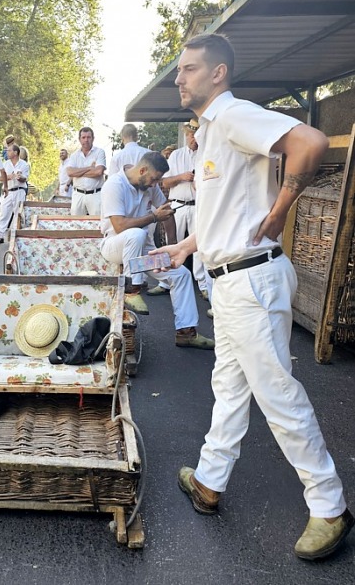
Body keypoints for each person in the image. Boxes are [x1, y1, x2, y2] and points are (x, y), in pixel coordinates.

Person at [153, 32, 352, 560]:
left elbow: (308, 142)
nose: (180, 78)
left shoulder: (235, 115)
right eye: (179, 70)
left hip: (251, 280)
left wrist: (284, 206)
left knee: (277, 396)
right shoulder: (214, 131)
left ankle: (329, 505)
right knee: (229, 387)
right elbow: (230, 211)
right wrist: (190, 246)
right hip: (233, 278)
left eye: (189, 69)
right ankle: (210, 481)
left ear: (217, 73)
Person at [99, 151, 213, 349]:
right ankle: (132, 289)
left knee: (181, 274)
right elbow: (119, 226)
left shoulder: (148, 184)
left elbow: (166, 211)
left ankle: (186, 332)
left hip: (142, 257)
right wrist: (153, 217)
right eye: (154, 179)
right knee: (137, 234)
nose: (155, 185)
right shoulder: (114, 185)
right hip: (114, 247)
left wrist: (174, 245)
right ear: (142, 170)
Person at [158, 119, 209, 298]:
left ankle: (203, 284)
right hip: (178, 204)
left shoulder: (206, 154)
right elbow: (164, 182)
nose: (194, 138)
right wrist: (181, 177)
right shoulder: (176, 155)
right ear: (186, 135)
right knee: (172, 242)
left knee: (199, 245)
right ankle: (164, 281)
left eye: (197, 134)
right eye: (191, 134)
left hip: (199, 206)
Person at [66, 127, 106, 215]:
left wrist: (77, 173)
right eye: (83, 137)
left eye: (88, 137)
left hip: (95, 194)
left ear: (93, 138)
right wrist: (89, 168)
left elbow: (98, 172)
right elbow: (70, 172)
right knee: (76, 224)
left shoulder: (99, 152)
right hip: (78, 195)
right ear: (79, 139)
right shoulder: (74, 156)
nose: (86, 140)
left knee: (97, 223)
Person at [0, 144, 30, 243]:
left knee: (17, 214)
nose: (7, 152)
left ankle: (14, 236)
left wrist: (20, 177)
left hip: (19, 190)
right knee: (4, 213)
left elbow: (25, 178)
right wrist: (10, 176)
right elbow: (1, 178)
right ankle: (0, 235)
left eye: (9, 150)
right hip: (8, 190)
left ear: (15, 152)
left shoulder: (24, 164)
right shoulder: (5, 164)